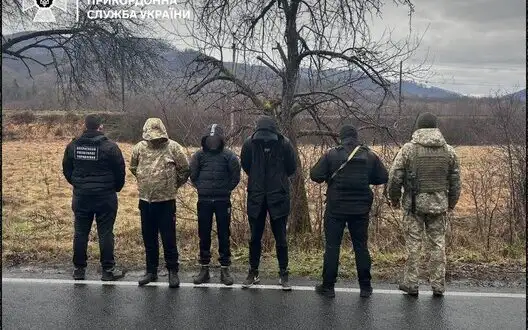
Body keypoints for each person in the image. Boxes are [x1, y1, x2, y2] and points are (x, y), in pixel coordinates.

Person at [386, 112, 461, 297]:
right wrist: (451, 203)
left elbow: (395, 177)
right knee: (438, 245)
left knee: (414, 246)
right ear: (436, 128)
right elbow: (456, 181)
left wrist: (394, 199)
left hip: (414, 206)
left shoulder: (408, 150)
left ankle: (411, 284)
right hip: (439, 205)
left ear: (418, 127)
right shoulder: (449, 151)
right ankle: (438, 285)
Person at [310, 125, 388, 298]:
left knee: (332, 247)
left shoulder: (331, 154)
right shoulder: (369, 155)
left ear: (341, 137)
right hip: (361, 210)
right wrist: (367, 178)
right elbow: (383, 177)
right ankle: (366, 287)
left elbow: (315, 175)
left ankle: (328, 287)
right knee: (361, 247)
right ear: (356, 137)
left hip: (336, 209)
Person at [62, 114, 126, 281]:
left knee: (81, 232)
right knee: (105, 233)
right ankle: (107, 271)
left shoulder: (73, 146)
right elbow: (120, 172)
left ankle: (79, 270)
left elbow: (67, 169)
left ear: (85, 126)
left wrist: (78, 184)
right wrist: (115, 188)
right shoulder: (111, 147)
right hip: (105, 196)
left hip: (81, 196)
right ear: (100, 127)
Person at [130, 118, 190, 288]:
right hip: (146, 201)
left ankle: (173, 271)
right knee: (149, 238)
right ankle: (151, 271)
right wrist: (146, 182)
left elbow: (185, 169)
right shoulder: (139, 148)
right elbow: (133, 168)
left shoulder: (173, 147)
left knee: (168, 238)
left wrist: (172, 185)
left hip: (166, 201)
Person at [240, 116, 297, 291]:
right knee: (254, 237)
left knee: (281, 238)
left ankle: (283, 273)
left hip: (278, 195)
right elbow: (246, 165)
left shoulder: (285, 144)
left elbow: (291, 168)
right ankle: (253, 271)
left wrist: (277, 181)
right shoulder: (249, 144)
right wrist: (258, 180)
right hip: (256, 195)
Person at [189, 124, 241, 286]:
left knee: (224, 234)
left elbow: (235, 176)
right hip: (203, 200)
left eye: (215, 139)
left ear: (221, 140)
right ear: (205, 140)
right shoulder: (199, 156)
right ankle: (204, 268)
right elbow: (193, 175)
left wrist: (225, 189)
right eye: (210, 139)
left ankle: (225, 268)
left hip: (222, 200)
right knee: (203, 234)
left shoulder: (229, 156)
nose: (213, 142)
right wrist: (202, 188)